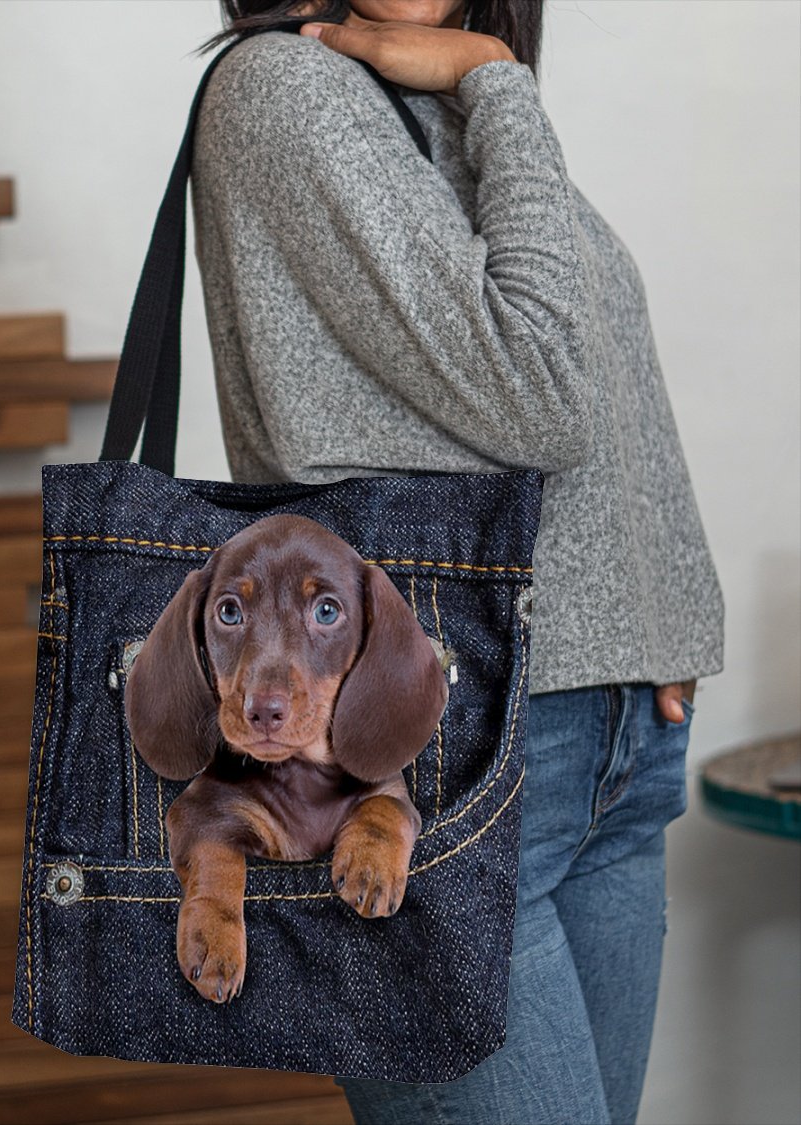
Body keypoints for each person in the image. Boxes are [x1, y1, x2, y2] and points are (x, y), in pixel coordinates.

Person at [188, 2, 725, 1122]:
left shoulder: (434, 97)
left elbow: (604, 365)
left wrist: (657, 628)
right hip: (444, 763)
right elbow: (543, 391)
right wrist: (499, 77)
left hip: (609, 751)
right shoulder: (290, 91)